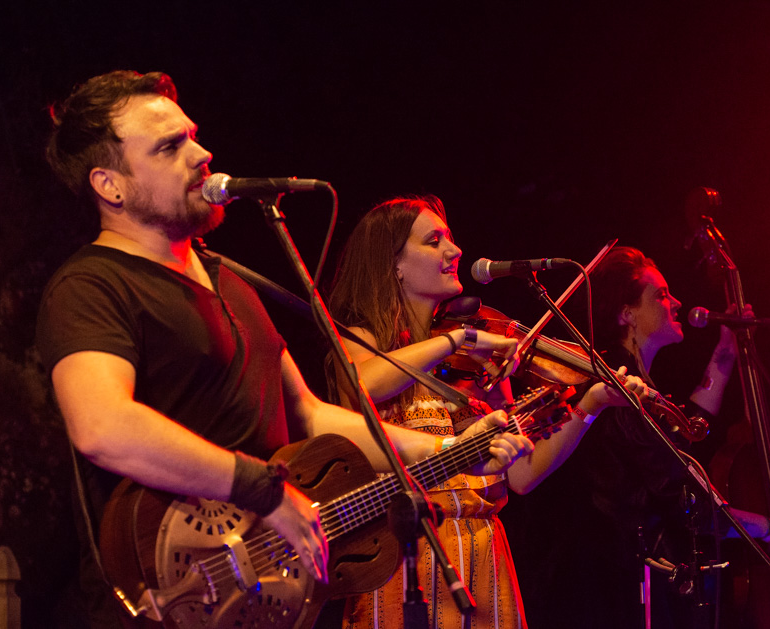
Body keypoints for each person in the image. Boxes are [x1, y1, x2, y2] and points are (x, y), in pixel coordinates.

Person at [35, 70, 533, 627]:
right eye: (170, 146)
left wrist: (443, 450)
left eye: (193, 134)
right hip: (169, 594)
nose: (201, 153)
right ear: (111, 186)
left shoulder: (231, 282)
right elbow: (103, 426)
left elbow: (309, 413)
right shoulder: (91, 286)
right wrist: (265, 491)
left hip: (261, 596)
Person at [325, 196, 646, 629]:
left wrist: (591, 405)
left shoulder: (479, 363)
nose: (454, 251)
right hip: (403, 556)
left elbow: (521, 474)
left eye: (450, 239)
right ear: (393, 263)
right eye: (433, 240)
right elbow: (364, 383)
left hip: (482, 552)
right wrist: (460, 340)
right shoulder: (360, 340)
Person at [514, 245, 770, 628]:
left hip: (618, 579)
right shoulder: (617, 387)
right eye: (662, 295)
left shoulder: (634, 381)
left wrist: (726, 351)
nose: (677, 302)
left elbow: (688, 428)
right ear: (627, 314)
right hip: (607, 587)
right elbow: (685, 502)